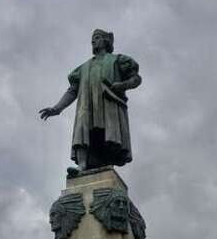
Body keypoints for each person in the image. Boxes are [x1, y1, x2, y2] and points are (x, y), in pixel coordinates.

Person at [39, 29, 141, 171]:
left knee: (108, 131)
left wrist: (123, 85)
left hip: (108, 102)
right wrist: (57, 108)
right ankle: (82, 165)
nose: (93, 41)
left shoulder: (117, 60)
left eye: (97, 37)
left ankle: (108, 163)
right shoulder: (83, 68)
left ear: (106, 41)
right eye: (93, 38)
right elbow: (72, 90)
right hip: (86, 105)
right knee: (83, 131)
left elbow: (136, 79)